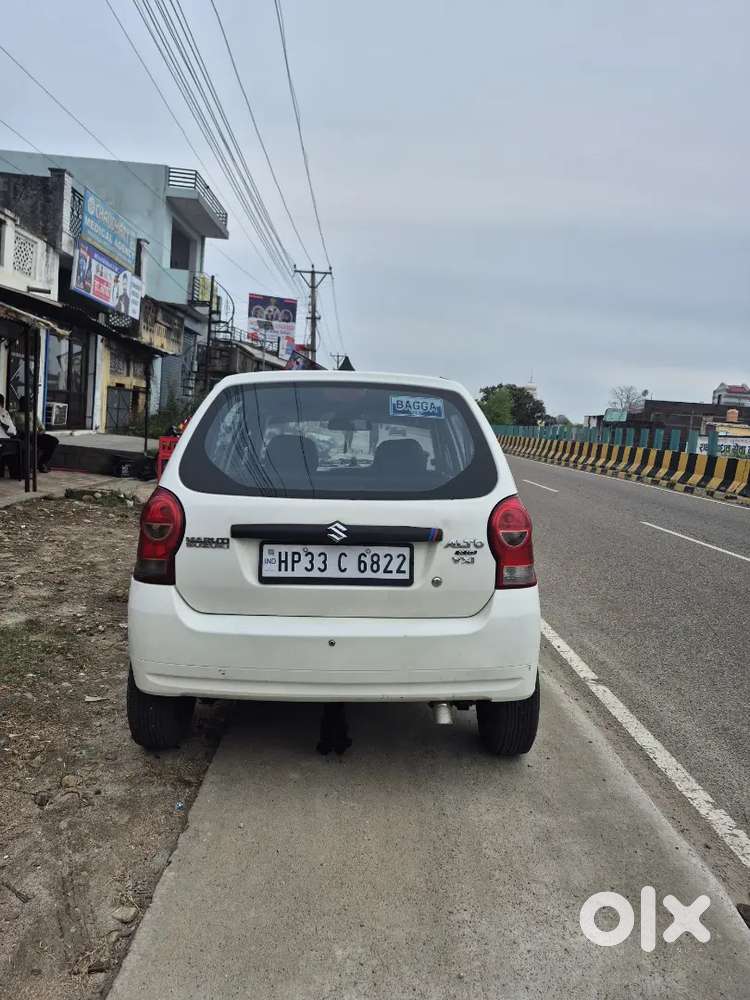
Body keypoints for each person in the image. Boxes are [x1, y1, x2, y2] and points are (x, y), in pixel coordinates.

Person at [15, 397, 58, 473]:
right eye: (26, 404)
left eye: (29, 404)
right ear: (22, 405)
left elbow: (41, 426)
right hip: (25, 436)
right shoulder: (16, 415)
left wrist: (41, 431)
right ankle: (39, 465)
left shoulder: (32, 414)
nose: (29, 405)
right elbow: (18, 428)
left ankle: (42, 462)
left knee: (54, 441)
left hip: (36, 435)